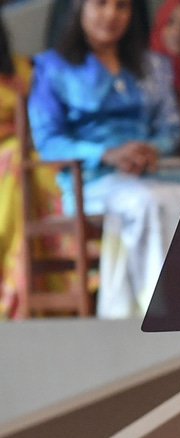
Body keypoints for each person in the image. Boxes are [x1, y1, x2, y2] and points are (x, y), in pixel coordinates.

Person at [29, 0, 180, 318]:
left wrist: (150, 149)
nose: (111, 14)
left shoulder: (153, 65)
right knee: (145, 202)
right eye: (101, 4)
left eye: (121, 6)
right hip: (92, 180)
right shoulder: (53, 67)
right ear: (78, 7)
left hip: (154, 169)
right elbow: (49, 142)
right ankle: (159, 313)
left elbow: (171, 127)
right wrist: (106, 154)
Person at [0, 19, 61, 318]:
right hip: (9, 157)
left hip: (33, 152)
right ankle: (14, 290)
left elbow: (45, 118)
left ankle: (53, 291)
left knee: (43, 170)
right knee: (17, 167)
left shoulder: (26, 68)